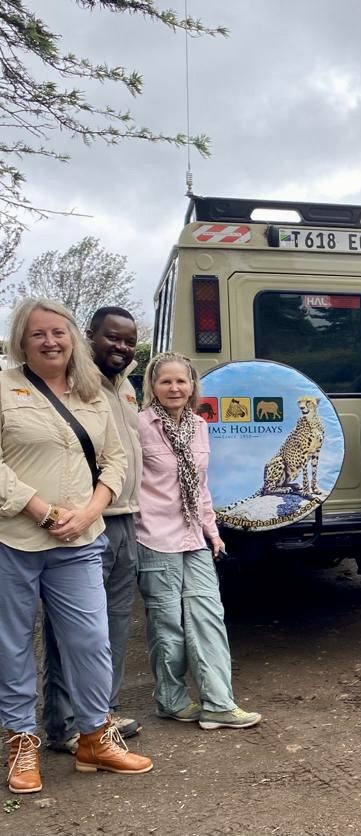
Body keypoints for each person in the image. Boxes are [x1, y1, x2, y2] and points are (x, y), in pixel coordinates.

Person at [1, 298, 152, 795]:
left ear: (71, 339)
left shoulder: (92, 393)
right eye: (38, 333)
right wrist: (41, 510)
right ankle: (23, 740)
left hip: (81, 538)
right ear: (22, 339)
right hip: (15, 539)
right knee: (14, 644)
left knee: (91, 641)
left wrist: (90, 511)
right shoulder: (3, 387)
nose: (50, 341)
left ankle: (93, 737)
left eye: (58, 332)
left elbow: (114, 460)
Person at [136, 353, 262, 728]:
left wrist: (212, 531)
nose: (175, 388)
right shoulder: (139, 426)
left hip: (194, 535)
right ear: (152, 387)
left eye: (182, 381)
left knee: (209, 617)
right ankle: (170, 699)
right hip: (155, 537)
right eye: (166, 382)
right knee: (167, 626)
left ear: (192, 386)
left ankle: (218, 704)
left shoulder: (199, 426)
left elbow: (201, 487)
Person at [43, 306, 143, 754]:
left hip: (127, 520)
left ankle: (103, 713)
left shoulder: (125, 388)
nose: (121, 347)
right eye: (112, 338)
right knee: (74, 628)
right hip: (85, 523)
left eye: (128, 340)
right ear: (90, 336)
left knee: (114, 625)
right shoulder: (71, 383)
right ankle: (65, 723)